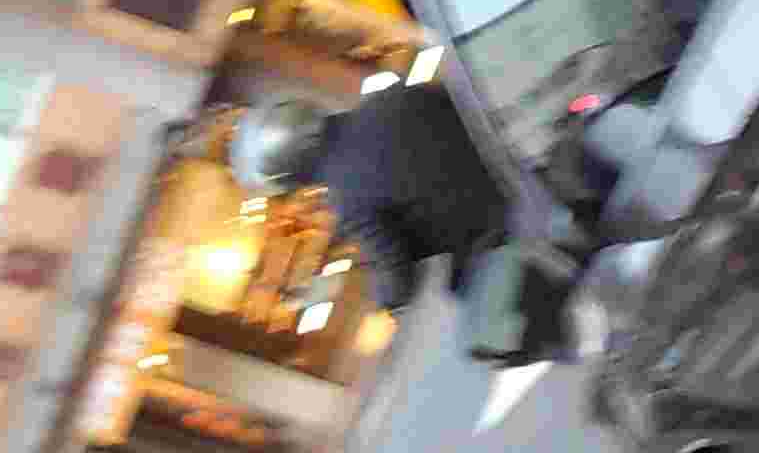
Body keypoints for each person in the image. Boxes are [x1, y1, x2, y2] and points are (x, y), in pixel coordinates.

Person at [225, 89, 532, 318]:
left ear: (289, 174)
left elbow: (397, 276)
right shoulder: (385, 100)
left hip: (504, 213)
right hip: (520, 148)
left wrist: (384, 299)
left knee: (471, 300)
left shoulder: (349, 202)